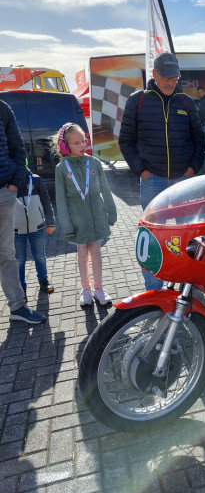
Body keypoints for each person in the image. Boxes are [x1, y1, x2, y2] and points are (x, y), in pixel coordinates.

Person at [119, 51, 205, 290]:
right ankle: (154, 291)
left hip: (183, 182)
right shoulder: (137, 101)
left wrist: (191, 170)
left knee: (188, 235)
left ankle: (188, 289)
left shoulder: (187, 103)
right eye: (166, 77)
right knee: (154, 237)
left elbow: (199, 139)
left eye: (175, 77)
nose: (170, 82)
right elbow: (125, 141)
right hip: (152, 181)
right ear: (154, 74)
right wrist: (142, 172)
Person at [53, 123, 117, 307]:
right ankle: (85, 288)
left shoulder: (94, 163)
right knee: (82, 253)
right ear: (65, 146)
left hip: (96, 216)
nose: (82, 146)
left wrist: (110, 213)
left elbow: (105, 190)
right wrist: (67, 225)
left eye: (83, 141)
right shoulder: (61, 168)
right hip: (76, 219)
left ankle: (98, 288)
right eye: (75, 143)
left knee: (96, 252)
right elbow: (61, 200)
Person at [0, 99, 46, 324]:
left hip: (3, 193)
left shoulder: (3, 108)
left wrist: (14, 185)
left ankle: (17, 307)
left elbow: (19, 149)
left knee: (7, 255)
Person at [14, 166, 56, 302]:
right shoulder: (5, 182)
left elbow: (46, 201)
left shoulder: (36, 180)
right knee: (19, 260)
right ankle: (21, 289)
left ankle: (44, 281)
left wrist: (51, 222)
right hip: (15, 230)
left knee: (40, 256)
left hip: (37, 226)